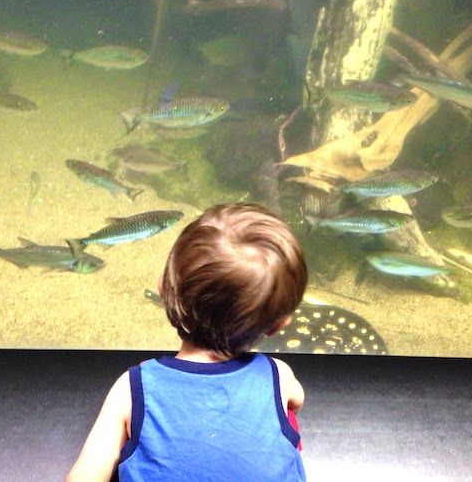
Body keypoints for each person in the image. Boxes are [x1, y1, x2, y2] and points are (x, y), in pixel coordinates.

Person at [65, 203, 309, 482]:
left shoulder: (133, 387)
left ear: (163, 289)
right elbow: (297, 401)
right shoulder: (278, 374)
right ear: (278, 324)